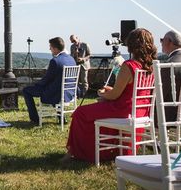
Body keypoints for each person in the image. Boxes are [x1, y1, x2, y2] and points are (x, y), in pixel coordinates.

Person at [64, 28, 156, 163]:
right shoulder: (152, 66)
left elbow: (114, 95)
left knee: (80, 112)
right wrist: (111, 91)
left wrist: (103, 93)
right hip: (141, 111)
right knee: (95, 109)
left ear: (131, 45)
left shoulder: (129, 65)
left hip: (123, 110)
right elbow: (131, 91)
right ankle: (104, 150)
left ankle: (76, 152)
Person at [23, 37, 77, 126]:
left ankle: (34, 119)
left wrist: (36, 84)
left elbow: (46, 79)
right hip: (69, 93)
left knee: (26, 90)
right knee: (53, 87)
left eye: (50, 47)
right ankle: (61, 117)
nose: (49, 49)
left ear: (55, 49)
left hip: (57, 94)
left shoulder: (55, 61)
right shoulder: (71, 59)